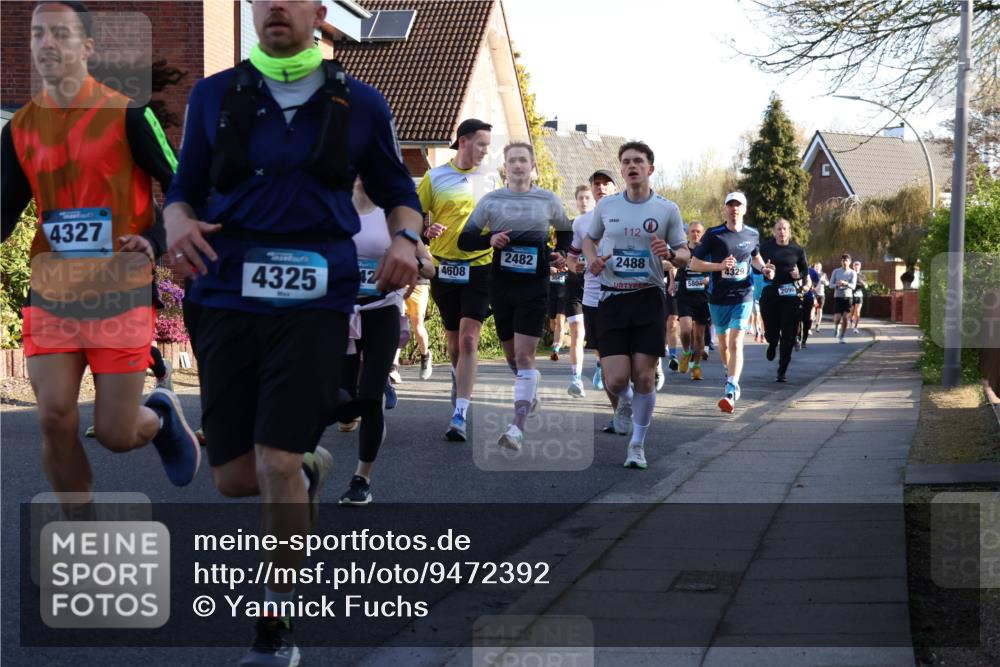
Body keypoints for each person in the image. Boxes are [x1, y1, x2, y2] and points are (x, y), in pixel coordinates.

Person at [163, 1, 423, 664]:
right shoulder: (214, 95)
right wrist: (174, 225)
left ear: (319, 11)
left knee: (273, 461)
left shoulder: (361, 102)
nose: (275, 4)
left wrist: (407, 236)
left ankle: (275, 627)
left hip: (315, 296)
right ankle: (309, 467)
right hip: (224, 293)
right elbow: (182, 190)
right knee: (233, 477)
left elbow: (399, 190)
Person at [1, 1, 200, 516]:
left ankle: (157, 417)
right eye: (38, 34)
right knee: (54, 419)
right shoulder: (19, 129)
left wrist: (155, 241)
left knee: (114, 433)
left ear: (87, 47)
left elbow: (178, 188)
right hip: (53, 292)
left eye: (60, 34)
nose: (47, 44)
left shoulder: (130, 113)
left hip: (119, 289)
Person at [583, 141, 689, 469]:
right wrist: (592, 261)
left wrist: (670, 255)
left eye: (638, 161)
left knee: (644, 376)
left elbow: (685, 254)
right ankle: (624, 404)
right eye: (626, 161)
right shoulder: (607, 206)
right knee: (615, 380)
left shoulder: (666, 209)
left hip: (648, 296)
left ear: (650, 169)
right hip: (612, 297)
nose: (631, 166)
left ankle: (637, 445)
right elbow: (589, 239)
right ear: (622, 169)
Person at [457, 142, 569, 451]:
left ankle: (516, 428)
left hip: (534, 287)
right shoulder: (492, 201)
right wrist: (489, 238)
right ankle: (529, 385)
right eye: (512, 161)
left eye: (523, 160)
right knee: (512, 357)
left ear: (533, 166)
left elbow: (566, 231)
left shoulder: (547, 200)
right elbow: (466, 239)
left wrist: (558, 252)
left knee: (524, 355)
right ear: (505, 167)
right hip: (501, 287)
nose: (518, 165)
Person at [332, 179, 436, 504]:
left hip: (382, 312)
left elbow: (430, 265)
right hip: (341, 315)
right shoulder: (331, 205)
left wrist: (411, 265)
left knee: (370, 396)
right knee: (343, 401)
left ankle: (361, 480)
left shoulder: (394, 213)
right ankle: (348, 415)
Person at [418, 117, 496, 441]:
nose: (485, 151)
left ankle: (460, 414)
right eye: (481, 144)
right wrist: (426, 230)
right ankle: (457, 375)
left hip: (480, 266)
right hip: (444, 266)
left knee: (468, 339)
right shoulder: (434, 178)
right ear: (463, 142)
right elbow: (416, 220)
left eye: (488, 146)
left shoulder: (491, 181)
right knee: (453, 342)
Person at [689, 192, 767, 413]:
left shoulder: (753, 234)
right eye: (730, 205)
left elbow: (755, 257)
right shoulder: (714, 234)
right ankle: (729, 370)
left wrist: (764, 269)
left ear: (745, 209)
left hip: (743, 295)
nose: (734, 209)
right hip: (718, 298)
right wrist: (719, 266)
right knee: (723, 346)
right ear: (725, 209)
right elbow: (694, 264)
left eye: (738, 205)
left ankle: (731, 389)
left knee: (735, 342)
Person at [568, 170, 625, 433]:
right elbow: (572, 257)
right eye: (597, 184)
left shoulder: (626, 215)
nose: (601, 188)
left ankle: (633, 399)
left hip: (624, 294)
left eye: (606, 184)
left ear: (615, 188)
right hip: (593, 299)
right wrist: (575, 266)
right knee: (605, 363)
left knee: (624, 360)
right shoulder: (581, 223)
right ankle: (619, 413)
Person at [759, 218, 810, 382]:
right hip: (770, 293)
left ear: (789, 231)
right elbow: (756, 265)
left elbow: (805, 272)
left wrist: (799, 275)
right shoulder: (765, 248)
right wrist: (764, 269)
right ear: (774, 231)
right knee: (771, 331)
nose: (782, 232)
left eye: (785, 229)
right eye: (779, 229)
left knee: (788, 335)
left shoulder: (797, 249)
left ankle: (782, 370)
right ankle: (772, 342)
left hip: (790, 296)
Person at [564, 184, 594, 397]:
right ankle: (576, 378)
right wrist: (568, 262)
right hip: (575, 284)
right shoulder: (571, 226)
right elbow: (566, 255)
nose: (583, 201)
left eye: (587, 198)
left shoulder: (602, 223)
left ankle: (603, 367)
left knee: (596, 333)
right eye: (580, 198)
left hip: (595, 285)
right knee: (577, 331)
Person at [672, 221, 710, 381]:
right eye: (693, 231)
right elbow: (674, 265)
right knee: (686, 330)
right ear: (688, 234)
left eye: (698, 232)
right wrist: (671, 282)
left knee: (700, 336)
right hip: (685, 295)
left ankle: (696, 367)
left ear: (703, 233)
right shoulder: (683, 249)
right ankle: (687, 352)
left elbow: (714, 268)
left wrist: (708, 279)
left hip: (702, 297)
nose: (695, 234)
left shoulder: (707, 250)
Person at [829, 253, 857, 343]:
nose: (844, 262)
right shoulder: (836, 271)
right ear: (841, 261)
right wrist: (837, 285)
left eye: (846, 260)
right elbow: (830, 285)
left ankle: (842, 336)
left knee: (845, 318)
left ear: (850, 262)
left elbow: (853, 286)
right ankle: (837, 327)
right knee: (837, 318)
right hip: (838, 297)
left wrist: (846, 284)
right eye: (843, 260)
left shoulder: (853, 272)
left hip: (848, 297)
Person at [810, 262, 828, 332]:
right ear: (814, 267)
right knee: (812, 309)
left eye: (819, 266)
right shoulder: (812, 274)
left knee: (819, 310)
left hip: (821, 294)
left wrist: (824, 281)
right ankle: (810, 326)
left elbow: (827, 283)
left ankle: (817, 325)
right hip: (813, 294)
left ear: (821, 267)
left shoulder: (824, 274)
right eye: (816, 266)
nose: (817, 268)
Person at [850, 259, 867, 334]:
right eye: (855, 266)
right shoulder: (850, 274)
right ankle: (851, 319)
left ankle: (855, 327)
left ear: (860, 267)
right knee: (851, 310)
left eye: (858, 266)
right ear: (853, 267)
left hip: (859, 295)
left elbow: (866, 285)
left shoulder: (862, 275)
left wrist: (864, 283)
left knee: (857, 312)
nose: (856, 267)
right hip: (851, 295)